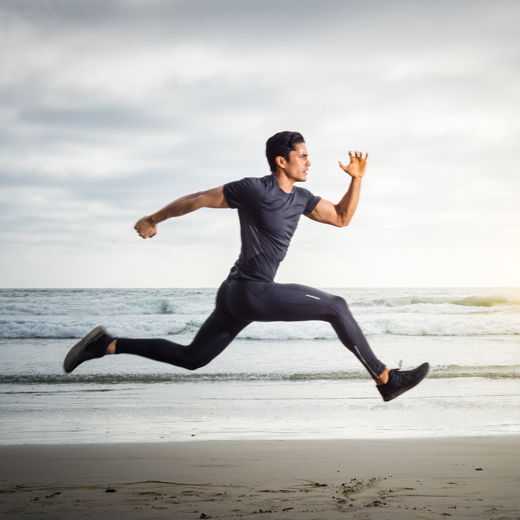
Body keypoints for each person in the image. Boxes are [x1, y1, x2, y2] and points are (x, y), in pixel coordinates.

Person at [63, 131, 428, 402]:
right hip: (250, 289)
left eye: (307, 155)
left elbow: (343, 218)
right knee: (336, 307)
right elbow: (198, 198)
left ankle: (106, 345)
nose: (308, 161)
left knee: (193, 358)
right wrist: (154, 218)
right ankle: (385, 378)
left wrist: (356, 180)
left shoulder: (302, 198)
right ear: (281, 161)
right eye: (302, 155)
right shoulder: (255, 188)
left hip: (236, 293)